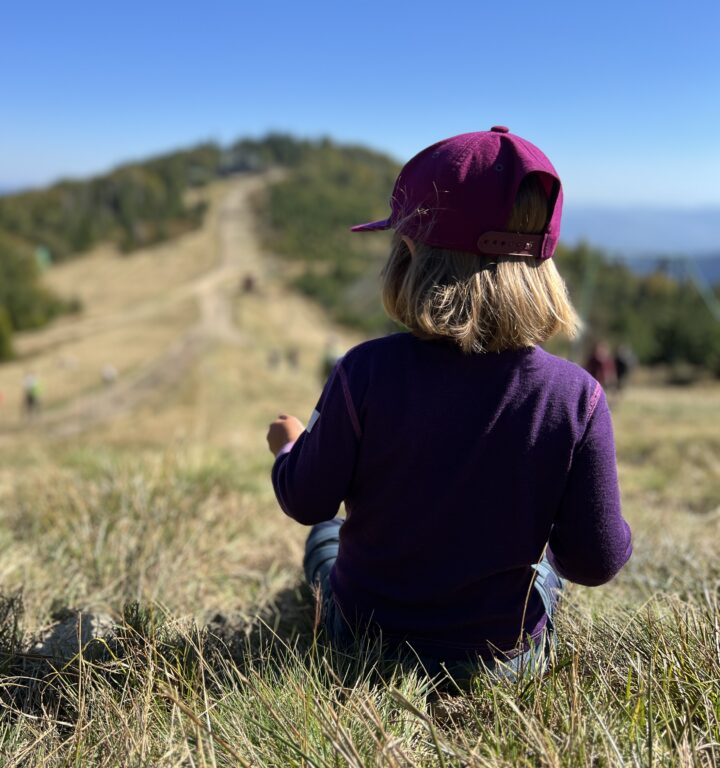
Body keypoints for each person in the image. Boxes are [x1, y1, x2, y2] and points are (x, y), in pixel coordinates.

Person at [267, 127, 632, 685]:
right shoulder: (576, 397)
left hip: (366, 639)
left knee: (325, 539)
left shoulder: (362, 371)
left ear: (409, 255)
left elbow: (307, 498)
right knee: (545, 575)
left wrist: (289, 446)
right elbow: (595, 560)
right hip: (502, 664)